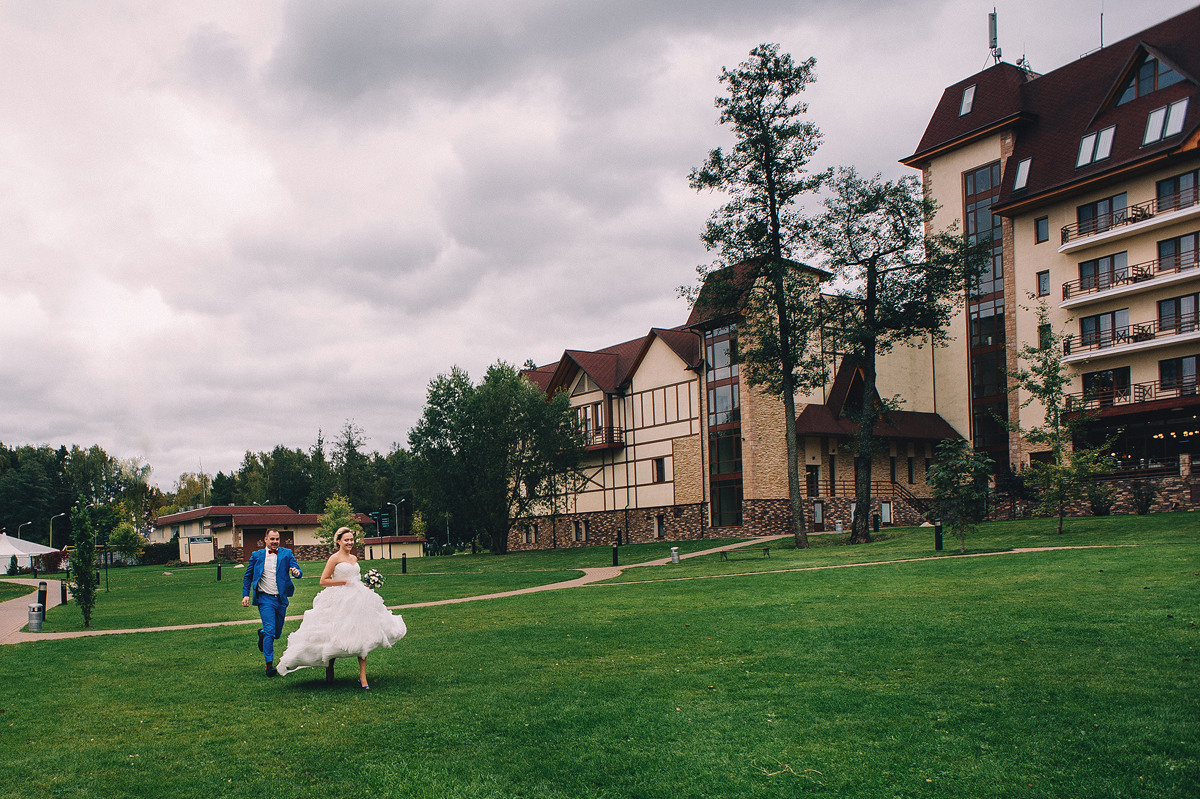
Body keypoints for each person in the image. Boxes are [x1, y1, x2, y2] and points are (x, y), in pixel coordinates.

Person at [276, 526, 407, 689]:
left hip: (359, 600)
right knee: (332, 635)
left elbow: (355, 578)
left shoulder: (354, 558)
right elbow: (323, 581)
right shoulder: (334, 558)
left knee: (363, 635)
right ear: (339, 541)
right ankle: (330, 669)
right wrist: (344, 582)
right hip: (338, 600)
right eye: (346, 540)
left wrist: (365, 585)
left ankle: (363, 676)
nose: (350, 542)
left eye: (352, 539)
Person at [241, 529, 303, 676]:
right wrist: (246, 595)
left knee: (276, 633)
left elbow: (299, 572)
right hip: (265, 598)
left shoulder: (287, 553)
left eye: (277, 539)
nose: (275, 541)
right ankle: (269, 665)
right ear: (265, 539)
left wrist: (296, 572)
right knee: (270, 630)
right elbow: (247, 576)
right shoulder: (256, 556)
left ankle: (262, 634)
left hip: (281, 599)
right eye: (272, 539)